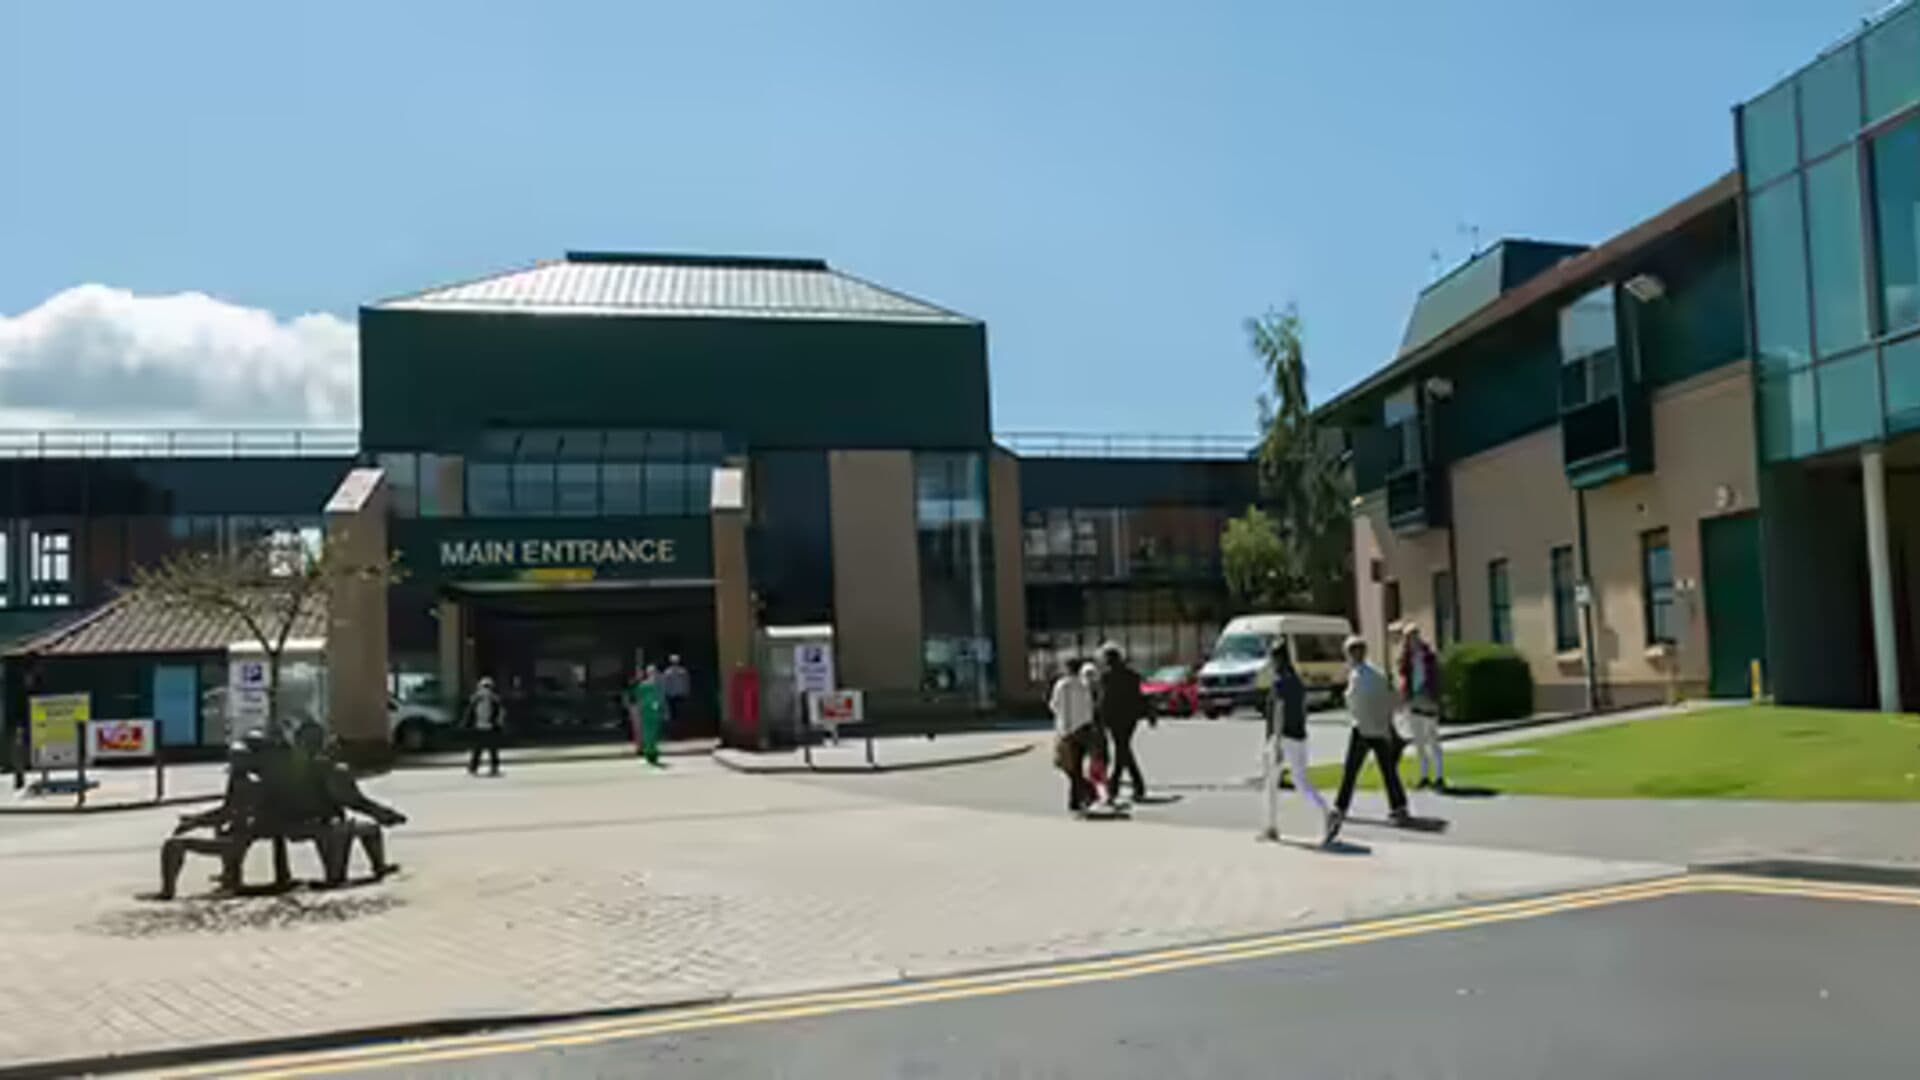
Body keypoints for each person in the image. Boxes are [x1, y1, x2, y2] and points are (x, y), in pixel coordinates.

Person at [1331, 635, 1411, 838]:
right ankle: (1399, 806)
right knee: (1388, 770)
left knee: (1351, 771)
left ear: (1351, 654)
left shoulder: (1356, 676)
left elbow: (1352, 702)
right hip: (1379, 728)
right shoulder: (1378, 674)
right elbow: (1390, 699)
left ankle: (1340, 807)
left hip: (1362, 729)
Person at [1264, 644, 1337, 845]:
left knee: (1271, 782)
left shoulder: (1279, 683)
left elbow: (1278, 712)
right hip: (1300, 736)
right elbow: (1303, 710)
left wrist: (1276, 741)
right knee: (1302, 782)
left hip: (1283, 737)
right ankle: (1326, 811)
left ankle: (1271, 827)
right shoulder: (1297, 682)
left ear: (1276, 660)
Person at [1096, 642, 1151, 804]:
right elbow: (1139, 697)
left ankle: (1116, 787)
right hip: (1130, 718)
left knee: (1122, 749)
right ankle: (1135, 786)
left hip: (1114, 718)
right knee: (1123, 749)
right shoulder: (1132, 675)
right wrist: (1147, 713)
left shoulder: (1105, 677)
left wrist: (1099, 718)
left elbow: (1103, 700)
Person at [1397, 624, 1446, 790]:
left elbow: (1436, 679)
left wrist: (1436, 699)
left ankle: (1439, 776)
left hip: (1428, 700)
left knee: (1433, 740)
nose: (1412, 640)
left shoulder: (1428, 656)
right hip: (1414, 701)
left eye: (1414, 636)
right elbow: (1403, 679)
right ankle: (1424, 775)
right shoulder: (1406, 658)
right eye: (1409, 637)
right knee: (1419, 742)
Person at [1049, 659, 1099, 814]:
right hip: (1084, 729)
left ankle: (1084, 793)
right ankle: (1077, 799)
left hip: (1067, 730)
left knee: (1068, 766)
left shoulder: (1062, 685)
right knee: (1076, 765)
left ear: (1067, 669)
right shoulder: (1084, 685)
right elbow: (1089, 707)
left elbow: (1055, 705)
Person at [465, 676, 505, 777]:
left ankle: (473, 768)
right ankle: (493, 768)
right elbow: (500, 713)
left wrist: (467, 724)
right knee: (492, 750)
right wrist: (498, 724)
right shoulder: (494, 698)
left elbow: (469, 712)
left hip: (480, 727)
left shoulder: (476, 698)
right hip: (489, 727)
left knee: (478, 749)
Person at [628, 665, 666, 766]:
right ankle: (650, 752)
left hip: (649, 711)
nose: (653, 675)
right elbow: (638, 698)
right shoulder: (646, 686)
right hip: (648, 711)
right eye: (651, 673)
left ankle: (650, 751)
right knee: (649, 733)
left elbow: (640, 697)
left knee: (650, 733)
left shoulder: (645, 686)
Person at [661, 655, 692, 732]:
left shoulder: (667, 672)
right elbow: (687, 683)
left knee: (673, 715)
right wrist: (687, 692)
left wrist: (665, 694)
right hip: (681, 695)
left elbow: (665, 685)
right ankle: (680, 729)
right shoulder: (683, 671)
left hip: (672, 696)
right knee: (679, 714)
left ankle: (676, 730)